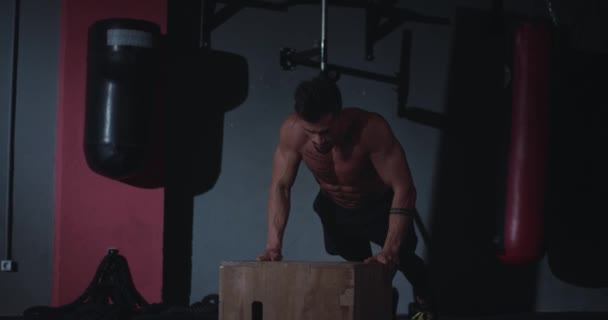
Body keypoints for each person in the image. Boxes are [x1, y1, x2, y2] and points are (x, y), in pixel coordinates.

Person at [256, 75, 434, 320]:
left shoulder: (370, 129)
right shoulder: (292, 132)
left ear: (339, 115)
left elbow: (404, 188)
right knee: (361, 266)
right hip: (336, 207)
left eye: (326, 132)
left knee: (401, 259)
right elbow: (281, 186)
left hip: (379, 206)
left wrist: (390, 251)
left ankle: (425, 301)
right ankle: (381, 293)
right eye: (311, 132)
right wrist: (273, 246)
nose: (318, 140)